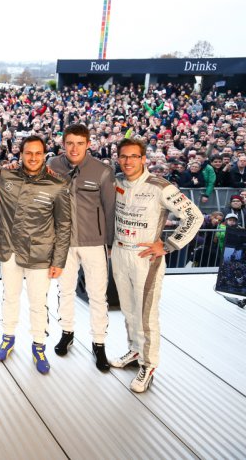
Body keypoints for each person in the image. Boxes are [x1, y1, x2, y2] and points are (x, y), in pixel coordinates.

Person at [110, 137, 202, 393]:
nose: (128, 161)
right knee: (128, 309)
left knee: (146, 314)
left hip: (146, 258)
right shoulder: (116, 181)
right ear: (118, 158)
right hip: (119, 252)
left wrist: (169, 245)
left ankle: (148, 365)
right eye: (123, 156)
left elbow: (194, 216)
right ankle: (135, 351)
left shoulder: (161, 186)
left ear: (143, 159)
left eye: (133, 156)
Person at [0, 135, 72, 374]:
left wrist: (59, 260)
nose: (33, 158)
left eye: (38, 153)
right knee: (10, 297)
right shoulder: (4, 176)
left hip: (40, 254)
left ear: (44, 155)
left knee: (38, 303)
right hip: (10, 251)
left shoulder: (57, 185)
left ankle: (39, 345)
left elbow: (64, 225)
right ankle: (8, 337)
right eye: (29, 153)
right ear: (21, 154)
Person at [47, 124, 116, 372]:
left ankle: (99, 343)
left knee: (98, 295)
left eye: (79, 143)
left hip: (94, 242)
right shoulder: (53, 165)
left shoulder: (103, 171)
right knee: (64, 291)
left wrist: (109, 243)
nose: (74, 148)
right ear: (63, 144)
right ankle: (67, 332)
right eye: (69, 143)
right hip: (63, 242)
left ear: (88, 144)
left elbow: (110, 209)